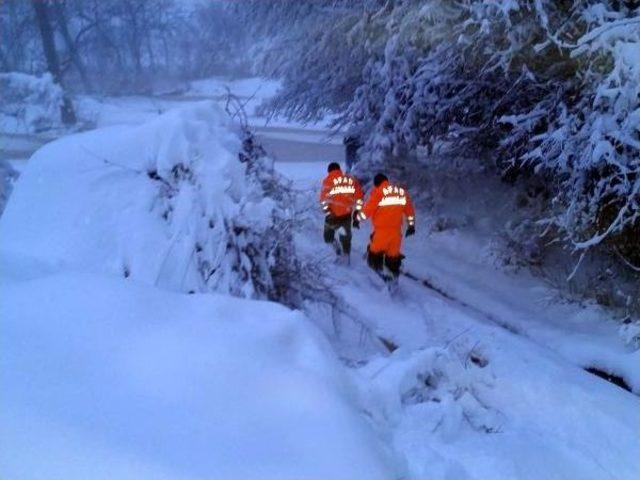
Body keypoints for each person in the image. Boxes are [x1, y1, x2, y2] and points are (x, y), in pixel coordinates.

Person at [358, 173, 415, 280]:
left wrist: (357, 218)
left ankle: (382, 280)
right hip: (396, 235)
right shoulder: (401, 192)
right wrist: (411, 225)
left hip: (381, 233)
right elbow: (409, 211)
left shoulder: (378, 192)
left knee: (373, 258)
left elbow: (366, 212)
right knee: (393, 260)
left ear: (376, 184)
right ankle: (394, 281)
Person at [319, 162, 364, 259]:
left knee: (328, 237)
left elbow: (323, 199)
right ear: (339, 169)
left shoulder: (327, 181)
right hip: (346, 214)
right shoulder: (350, 180)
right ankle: (346, 255)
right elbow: (360, 197)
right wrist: (357, 211)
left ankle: (336, 250)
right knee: (345, 236)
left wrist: (326, 211)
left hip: (332, 214)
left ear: (329, 171)